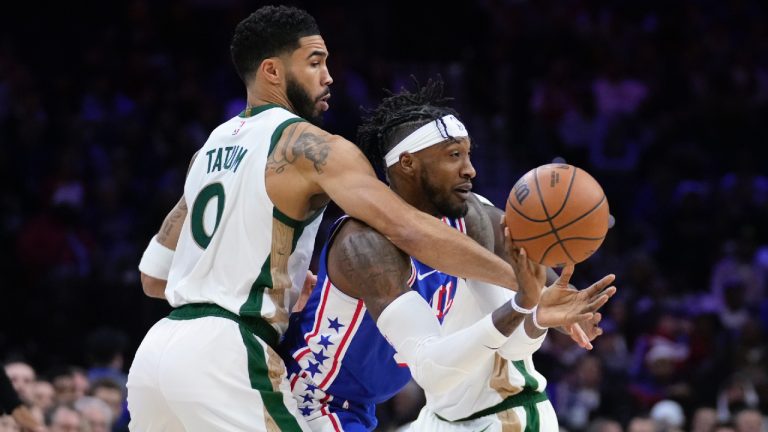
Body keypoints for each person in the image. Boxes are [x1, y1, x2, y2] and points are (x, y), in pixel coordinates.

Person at [128, 6, 528, 431]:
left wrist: (269, 272)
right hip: (227, 352)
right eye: (315, 62)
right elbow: (408, 227)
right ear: (272, 71)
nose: (328, 76)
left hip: (158, 353)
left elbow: (153, 278)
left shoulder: (207, 151)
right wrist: (521, 286)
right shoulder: (311, 146)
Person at [279, 78, 616, 431]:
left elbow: (525, 322)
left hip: (365, 406)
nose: (470, 169)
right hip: (310, 403)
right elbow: (432, 370)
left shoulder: (472, 218)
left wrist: (552, 312)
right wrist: (522, 303)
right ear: (408, 164)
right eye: (454, 156)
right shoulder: (365, 244)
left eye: (469, 155)